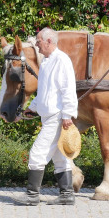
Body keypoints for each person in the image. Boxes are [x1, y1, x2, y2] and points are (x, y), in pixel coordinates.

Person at [16, 27, 78, 206]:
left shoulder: (62, 60)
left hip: (57, 117)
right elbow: (45, 91)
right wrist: (33, 108)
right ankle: (66, 195)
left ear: (49, 41)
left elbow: (68, 90)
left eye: (39, 41)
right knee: (60, 157)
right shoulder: (46, 62)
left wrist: (67, 114)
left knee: (37, 153)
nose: (37, 44)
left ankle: (32, 195)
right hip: (50, 115)